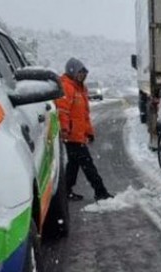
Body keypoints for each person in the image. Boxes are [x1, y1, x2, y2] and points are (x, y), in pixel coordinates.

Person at [57, 57, 112, 201]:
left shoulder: (81, 89)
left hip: (78, 135)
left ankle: (66, 191)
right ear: (72, 72)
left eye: (84, 73)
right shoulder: (67, 87)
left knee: (73, 165)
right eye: (80, 72)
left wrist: (89, 132)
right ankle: (100, 191)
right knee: (88, 165)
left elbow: (84, 115)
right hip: (71, 135)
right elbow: (62, 111)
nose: (83, 75)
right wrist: (64, 130)